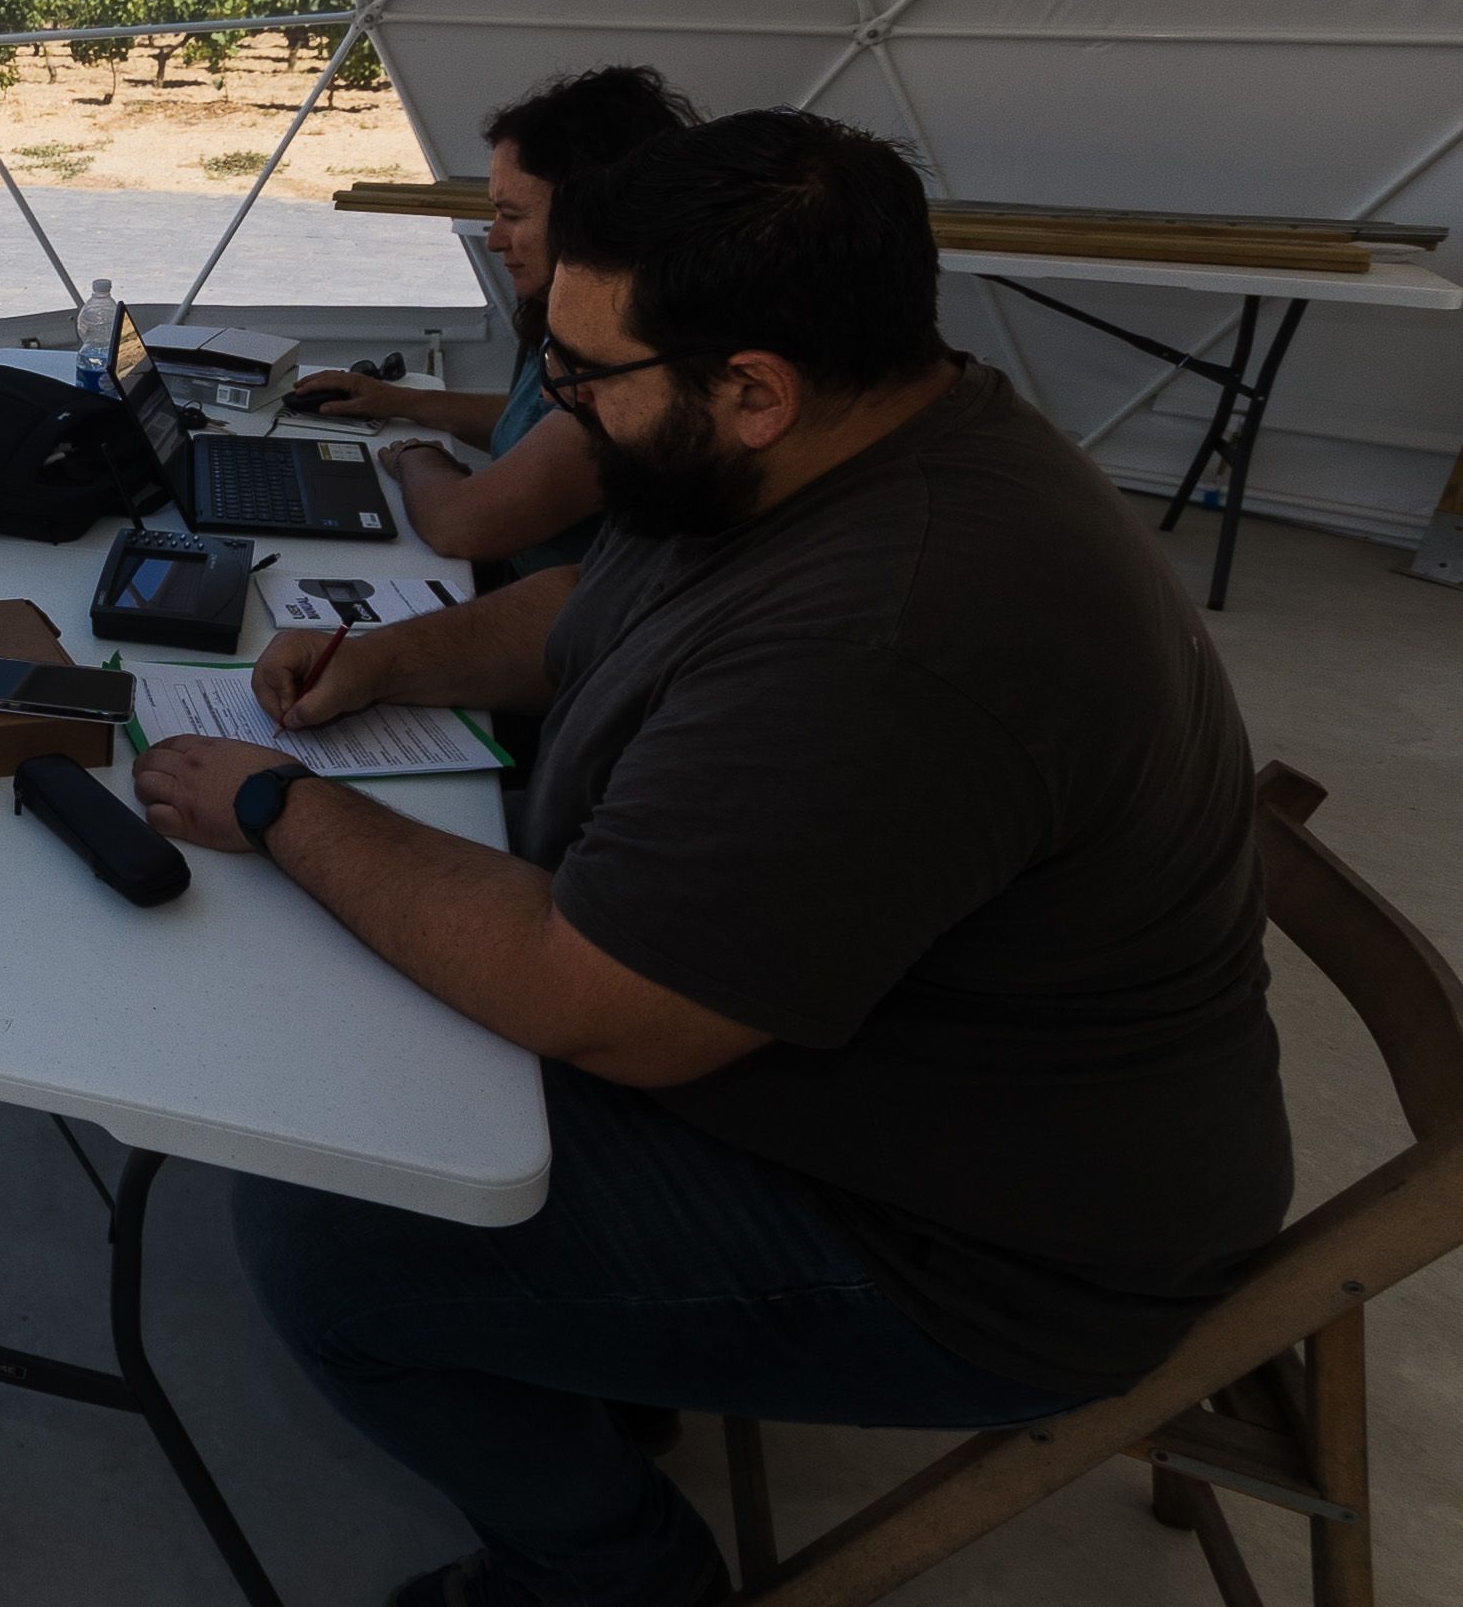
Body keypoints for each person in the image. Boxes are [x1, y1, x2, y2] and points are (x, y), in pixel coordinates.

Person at [131, 110, 1291, 1607]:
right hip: (885, 1096)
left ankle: (609, 1577)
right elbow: (582, 616)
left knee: (325, 1231)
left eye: (580, 374)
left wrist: (290, 808)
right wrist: (392, 658)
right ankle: (599, 1363)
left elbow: (597, 996)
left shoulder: (900, 628)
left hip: (980, 1253)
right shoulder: (820, 446)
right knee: (366, 1044)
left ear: (750, 387)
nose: (553, 399)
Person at [292, 66, 694, 574]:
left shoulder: (633, 372)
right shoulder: (569, 322)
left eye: (515, 216)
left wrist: (417, 456)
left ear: (596, 215)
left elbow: (461, 524)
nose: (495, 239)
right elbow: (528, 424)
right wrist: (400, 401)